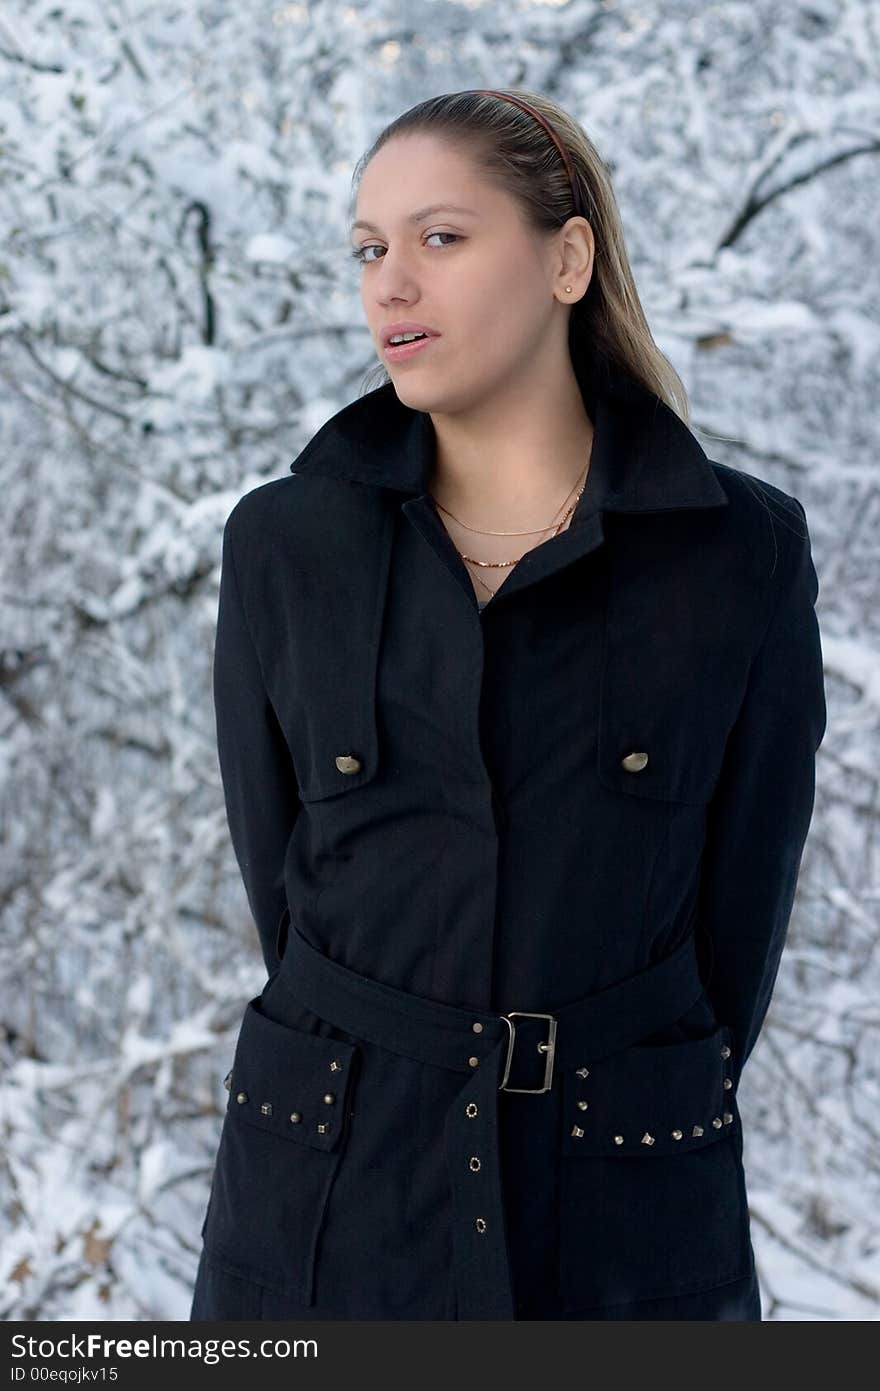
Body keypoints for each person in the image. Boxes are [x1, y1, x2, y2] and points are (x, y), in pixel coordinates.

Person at [189, 88, 827, 1321]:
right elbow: (287, 893)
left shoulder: (738, 552)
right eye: (369, 249)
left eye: (440, 237)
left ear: (566, 257)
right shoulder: (283, 544)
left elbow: (738, 923)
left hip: (625, 1209)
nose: (390, 284)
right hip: (328, 1203)